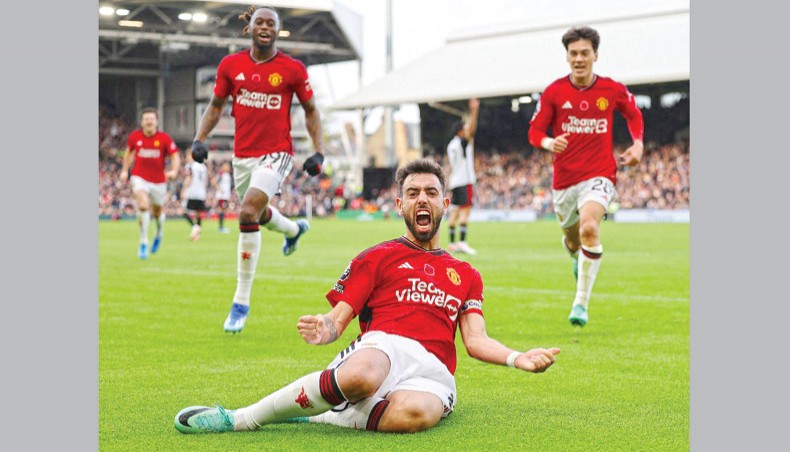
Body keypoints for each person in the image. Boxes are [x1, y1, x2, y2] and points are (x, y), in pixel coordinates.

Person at [174, 159, 560, 435]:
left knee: (416, 416)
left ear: (445, 204)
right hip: (384, 346)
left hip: (434, 371)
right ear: (399, 205)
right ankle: (243, 418)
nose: (421, 199)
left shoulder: (468, 275)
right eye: (412, 193)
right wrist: (325, 328)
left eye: (430, 192)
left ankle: (324, 414)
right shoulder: (377, 257)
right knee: (362, 375)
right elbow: (338, 320)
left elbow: (475, 341)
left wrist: (516, 358)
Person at [190, 6, 325, 333]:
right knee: (258, 213)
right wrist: (199, 138)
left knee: (247, 211)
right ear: (248, 28)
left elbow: (310, 110)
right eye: (259, 22)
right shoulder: (230, 65)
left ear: (279, 31)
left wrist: (319, 152)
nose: (265, 27)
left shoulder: (292, 69)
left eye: (271, 23)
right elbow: (216, 106)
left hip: (277, 153)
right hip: (243, 157)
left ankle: (241, 301)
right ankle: (293, 230)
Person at [528, 25, 644, 327]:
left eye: (584, 53)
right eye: (573, 53)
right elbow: (534, 131)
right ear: (567, 57)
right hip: (564, 181)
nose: (579, 58)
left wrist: (638, 142)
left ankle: (580, 303)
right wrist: (549, 142)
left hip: (600, 174)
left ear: (595, 55)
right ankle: (575, 259)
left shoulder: (611, 89)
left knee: (590, 228)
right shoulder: (554, 92)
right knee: (572, 239)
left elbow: (633, 113)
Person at [119, 107, 181, 259]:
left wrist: (174, 171)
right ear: (141, 122)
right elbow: (128, 153)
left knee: (157, 212)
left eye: (151, 119)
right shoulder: (134, 137)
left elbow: (175, 157)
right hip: (139, 177)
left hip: (159, 181)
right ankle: (143, 242)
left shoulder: (164, 138)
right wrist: (124, 170)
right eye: (146, 119)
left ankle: (159, 233)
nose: (149, 121)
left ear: (156, 121)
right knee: (142, 204)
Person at [446, 98, 480, 255]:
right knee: (465, 212)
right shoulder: (461, 142)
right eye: (464, 128)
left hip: (455, 181)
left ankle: (452, 243)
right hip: (464, 180)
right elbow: (472, 131)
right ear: (460, 131)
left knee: (454, 213)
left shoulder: (451, 145)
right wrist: (474, 111)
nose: (467, 130)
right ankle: (462, 242)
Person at [180, 153, 210, 241]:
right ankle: (197, 235)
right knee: (198, 214)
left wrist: (183, 190)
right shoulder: (203, 167)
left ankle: (194, 226)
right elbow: (206, 181)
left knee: (182, 211)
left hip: (192, 192)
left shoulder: (190, 166)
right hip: (201, 193)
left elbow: (188, 178)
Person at [214, 162, 233, 233]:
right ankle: (221, 227)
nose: (228, 167)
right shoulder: (221, 174)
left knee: (224, 211)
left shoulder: (227, 175)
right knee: (222, 211)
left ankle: (222, 227)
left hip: (226, 197)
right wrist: (219, 189)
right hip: (221, 196)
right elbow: (214, 181)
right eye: (226, 166)